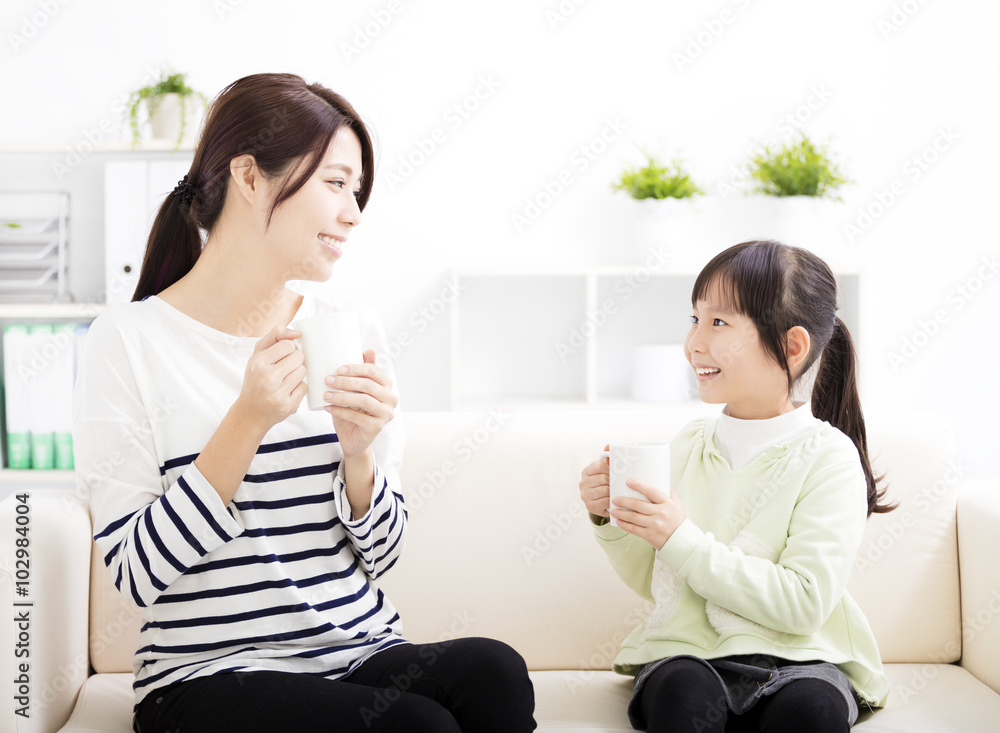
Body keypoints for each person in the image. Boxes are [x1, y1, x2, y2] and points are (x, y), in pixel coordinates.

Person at [73, 73, 536, 733]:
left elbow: (383, 554)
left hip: (355, 652)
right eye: (335, 184)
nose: (353, 212)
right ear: (251, 176)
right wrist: (247, 419)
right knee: (417, 725)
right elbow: (138, 573)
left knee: (494, 670)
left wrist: (360, 456)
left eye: (356, 190)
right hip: (204, 678)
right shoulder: (128, 342)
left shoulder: (350, 329)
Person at [578, 240, 892, 732]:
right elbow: (657, 582)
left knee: (812, 711)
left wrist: (679, 537)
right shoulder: (688, 444)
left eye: (719, 322)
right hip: (689, 654)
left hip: (803, 659)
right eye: (695, 319)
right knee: (681, 695)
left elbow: (803, 604)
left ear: (791, 346)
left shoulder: (829, 458)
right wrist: (612, 520)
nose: (694, 343)